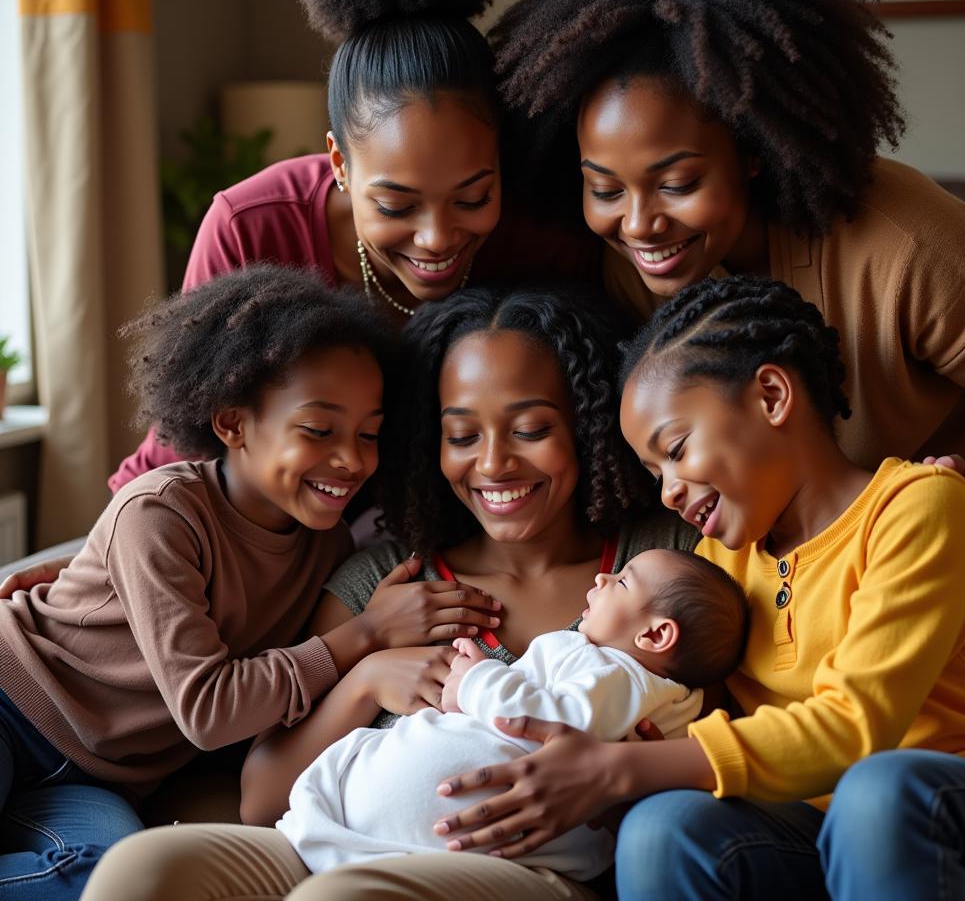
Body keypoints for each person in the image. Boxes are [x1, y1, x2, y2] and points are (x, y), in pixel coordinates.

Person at [79, 286, 697, 901]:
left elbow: (718, 732)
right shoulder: (383, 583)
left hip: (527, 867)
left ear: (586, 423)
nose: (494, 463)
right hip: (328, 841)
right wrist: (367, 679)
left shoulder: (662, 563)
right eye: (461, 437)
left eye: (531, 428)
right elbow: (261, 798)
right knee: (143, 870)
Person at [427, 275, 965, 901]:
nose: (668, 491)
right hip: (808, 825)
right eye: (654, 473)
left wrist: (622, 768)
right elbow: (692, 724)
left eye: (677, 449)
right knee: (664, 828)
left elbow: (855, 728)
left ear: (770, 395)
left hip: (962, 807)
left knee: (877, 793)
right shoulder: (719, 563)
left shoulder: (918, 507)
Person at [489, 0, 965, 566]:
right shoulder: (627, 272)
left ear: (751, 153)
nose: (640, 224)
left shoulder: (909, 249)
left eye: (677, 183)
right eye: (605, 189)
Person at [105, 0, 598, 497]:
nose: (438, 238)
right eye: (396, 206)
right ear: (339, 162)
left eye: (473, 198)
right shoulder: (251, 226)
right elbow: (187, 434)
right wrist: (97, 554)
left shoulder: (541, 230)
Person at [0, 264, 396, 900]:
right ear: (233, 424)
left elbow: (269, 705)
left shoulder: (329, 549)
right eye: (320, 430)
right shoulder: (160, 513)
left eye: (368, 434)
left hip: (95, 776)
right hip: (10, 699)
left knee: (99, 880)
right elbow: (210, 712)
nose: (351, 459)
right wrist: (367, 634)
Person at [278, 548, 745, 883]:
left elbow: (558, 723)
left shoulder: (624, 677)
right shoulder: (602, 664)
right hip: (352, 828)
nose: (602, 581)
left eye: (621, 582)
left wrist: (477, 679)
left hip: (447, 859)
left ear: (656, 635)